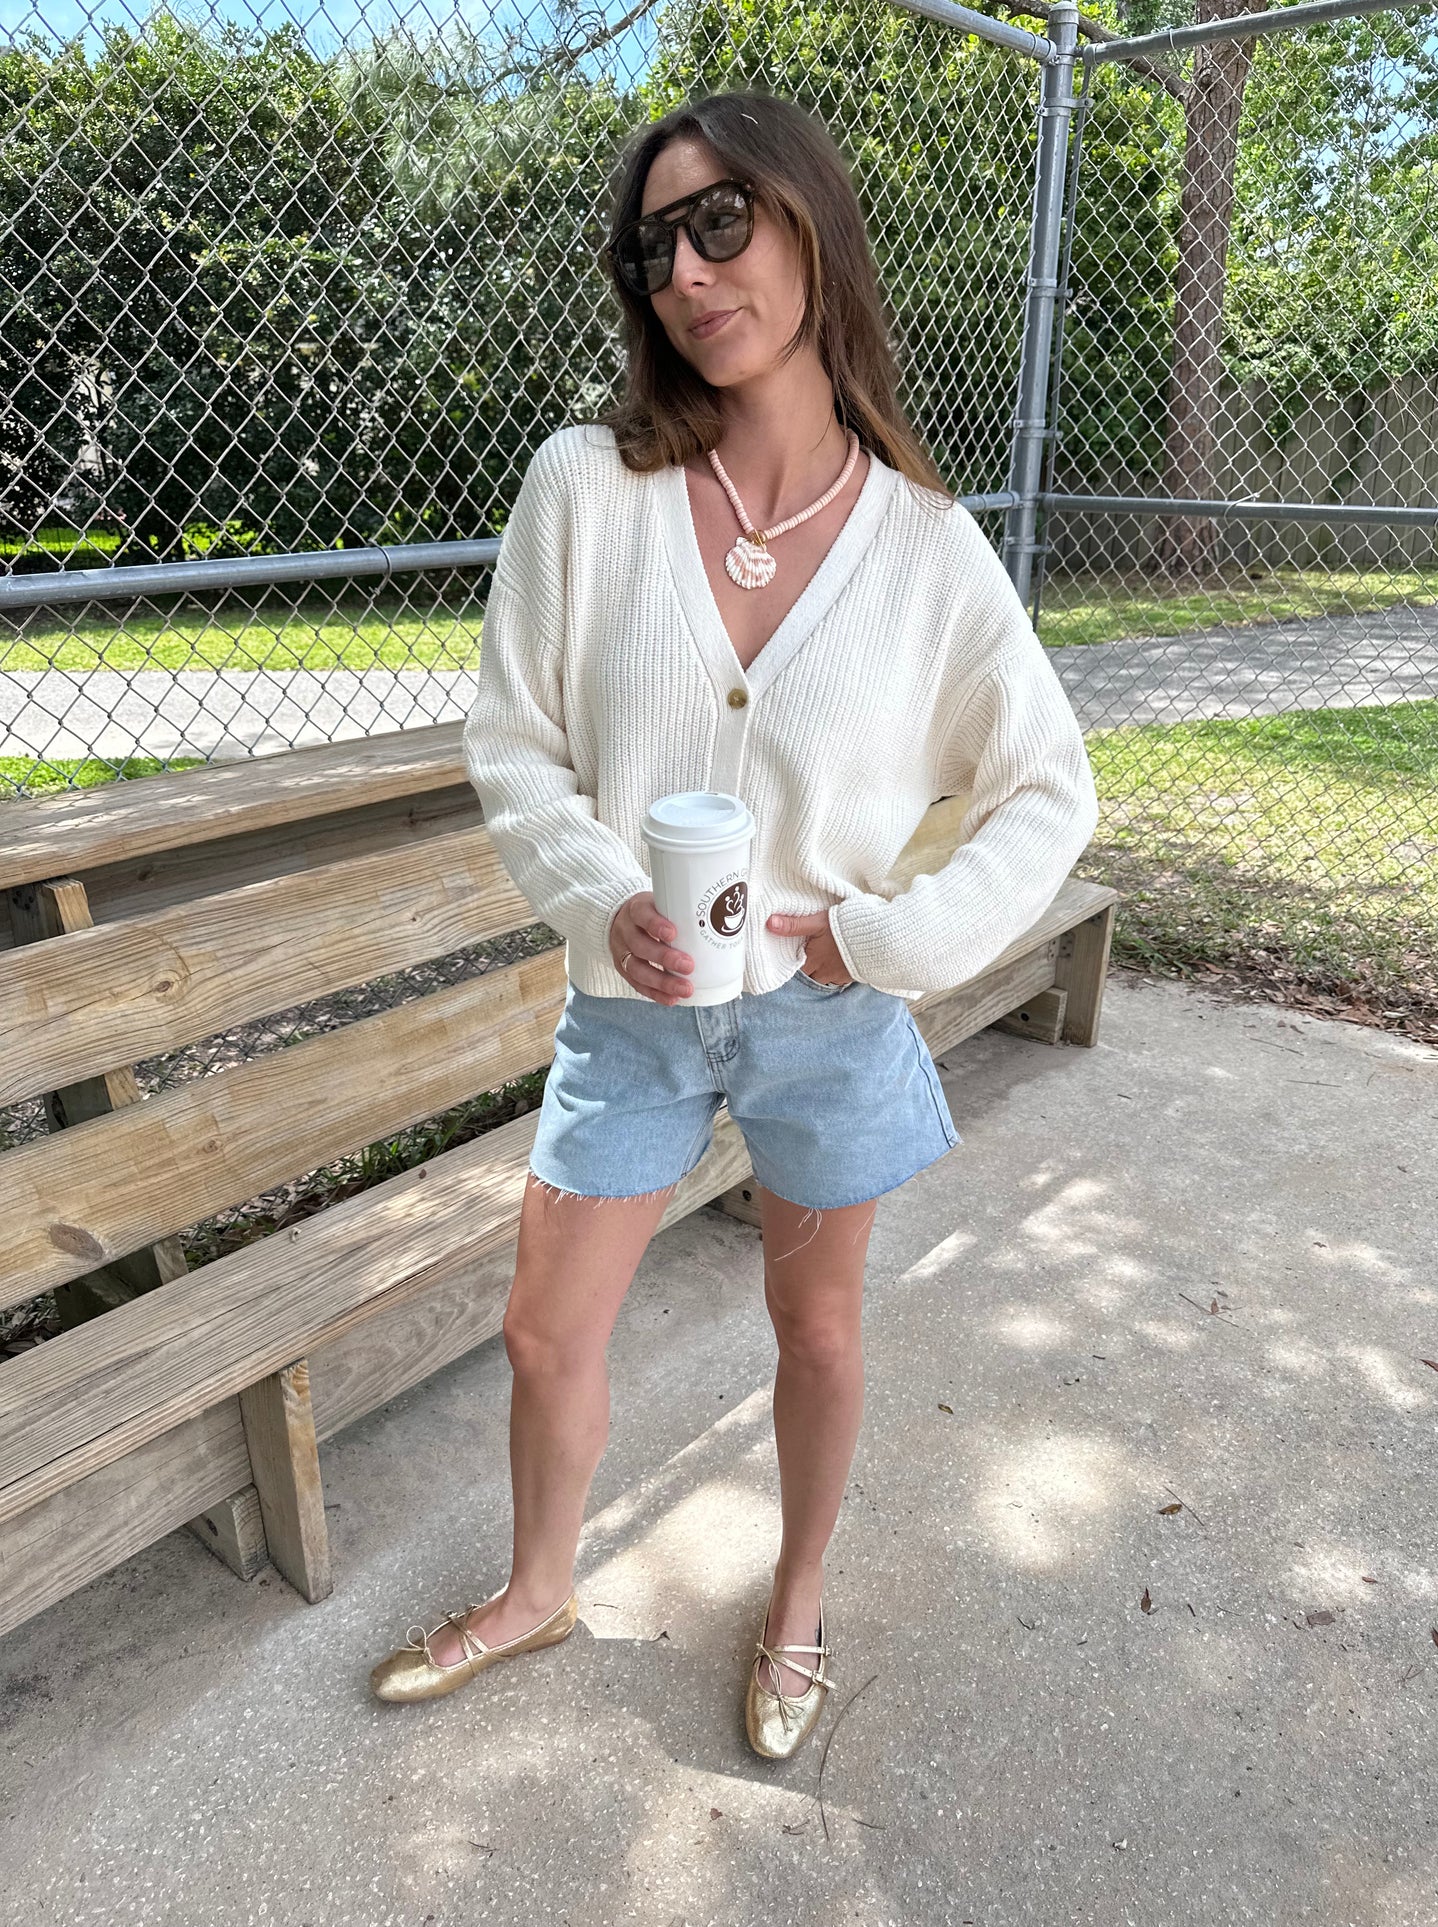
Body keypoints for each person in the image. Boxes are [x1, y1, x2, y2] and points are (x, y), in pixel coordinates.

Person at [369, 88, 1099, 1760]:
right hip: (626, 1003)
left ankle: (795, 1610)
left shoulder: (927, 553)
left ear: (807, 228)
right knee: (546, 1327)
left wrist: (888, 935)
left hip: (820, 1012)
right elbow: (513, 742)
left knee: (818, 1329)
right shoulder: (585, 489)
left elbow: (1047, 791)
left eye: (722, 224)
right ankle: (538, 1584)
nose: (689, 275)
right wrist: (604, 893)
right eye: (654, 247)